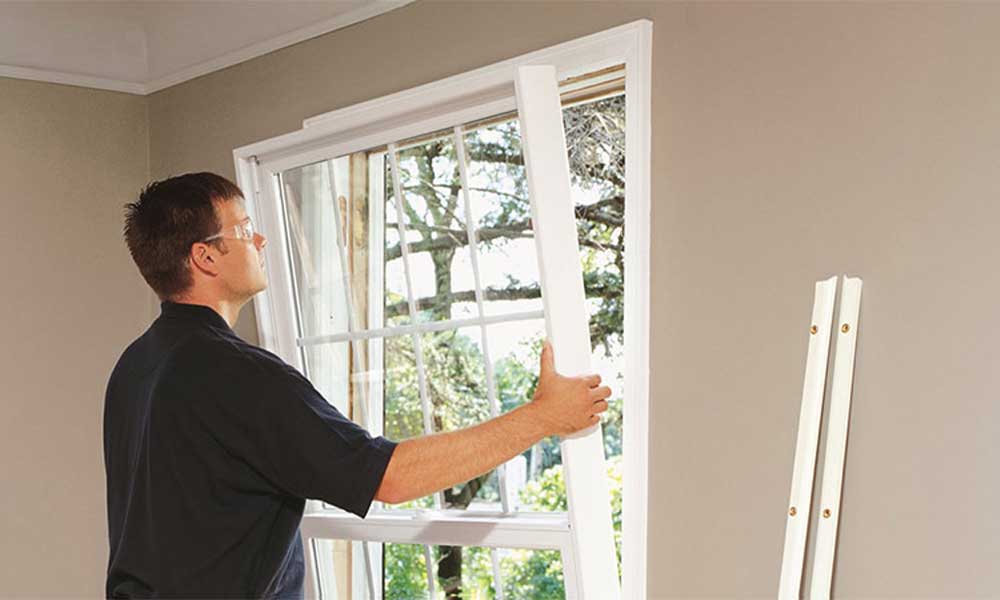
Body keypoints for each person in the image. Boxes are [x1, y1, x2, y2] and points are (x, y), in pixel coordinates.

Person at [104, 171, 611, 598]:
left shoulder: (136, 366)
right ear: (205, 257)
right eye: (244, 229)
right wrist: (541, 417)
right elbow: (390, 477)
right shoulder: (237, 374)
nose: (259, 241)